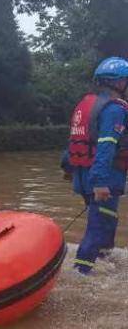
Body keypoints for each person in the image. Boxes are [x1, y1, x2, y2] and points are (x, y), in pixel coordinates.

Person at [65, 57, 128, 274]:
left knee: (107, 219)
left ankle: (103, 259)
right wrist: (100, 183)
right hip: (103, 178)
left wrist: (70, 169)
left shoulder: (85, 105)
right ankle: (81, 274)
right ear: (119, 83)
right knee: (99, 224)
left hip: (83, 175)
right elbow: (106, 146)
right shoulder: (114, 110)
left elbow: (74, 140)